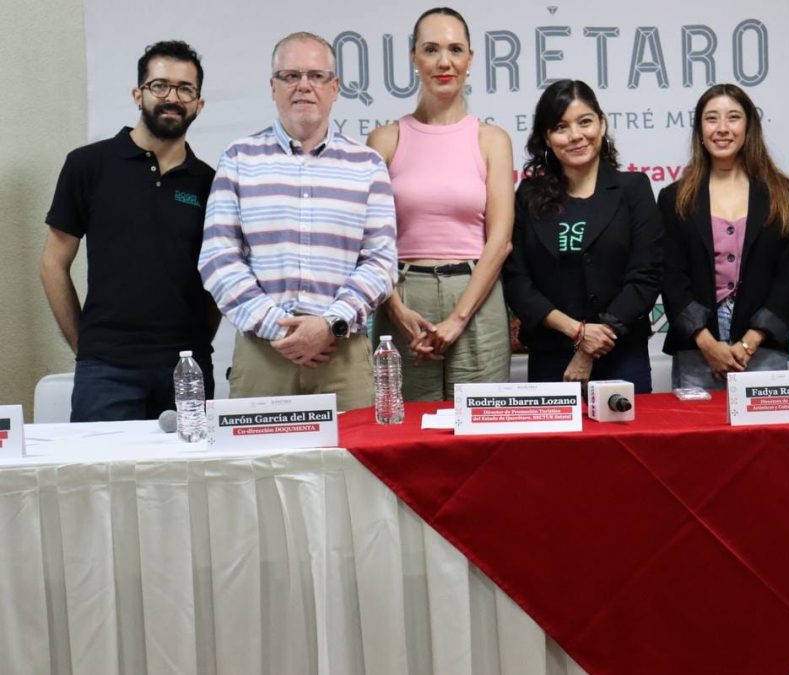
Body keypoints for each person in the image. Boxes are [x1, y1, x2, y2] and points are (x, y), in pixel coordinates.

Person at [199, 32, 397, 411]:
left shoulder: (367, 165)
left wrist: (328, 325)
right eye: (290, 76)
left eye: (316, 76)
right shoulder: (239, 158)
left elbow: (381, 262)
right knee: (259, 469)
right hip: (264, 355)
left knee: (355, 468)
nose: (303, 85)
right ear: (273, 87)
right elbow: (218, 258)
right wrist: (279, 328)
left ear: (335, 87)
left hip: (342, 355)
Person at [41, 40, 218, 422]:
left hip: (187, 371)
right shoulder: (88, 165)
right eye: (160, 85)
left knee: (187, 482)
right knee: (99, 481)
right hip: (106, 372)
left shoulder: (210, 182)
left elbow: (220, 276)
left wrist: (199, 342)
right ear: (138, 94)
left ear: (199, 104)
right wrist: (84, 345)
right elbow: (53, 264)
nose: (172, 97)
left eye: (185, 89)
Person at [367, 7, 514, 401]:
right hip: (400, 297)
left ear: (470, 58)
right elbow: (368, 240)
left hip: (476, 299)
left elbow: (499, 242)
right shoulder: (384, 139)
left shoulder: (492, 140)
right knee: (403, 435)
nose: (444, 62)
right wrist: (396, 310)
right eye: (431, 49)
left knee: (482, 431)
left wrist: (456, 319)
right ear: (414, 57)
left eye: (455, 49)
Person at [502, 80, 663, 392]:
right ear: (546, 138)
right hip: (551, 353)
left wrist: (591, 345)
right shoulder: (528, 196)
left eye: (585, 122)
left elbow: (646, 276)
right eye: (561, 127)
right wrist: (577, 332)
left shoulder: (633, 189)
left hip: (620, 350)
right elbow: (517, 280)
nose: (575, 135)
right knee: (554, 442)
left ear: (601, 125)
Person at [660, 84, 789, 389]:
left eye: (734, 118)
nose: (722, 129)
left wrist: (749, 342)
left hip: (762, 346)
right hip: (697, 346)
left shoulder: (781, 193)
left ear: (749, 127)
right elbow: (671, 278)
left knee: (766, 437)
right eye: (712, 119)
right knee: (699, 435)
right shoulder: (675, 198)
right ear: (700, 130)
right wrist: (708, 344)